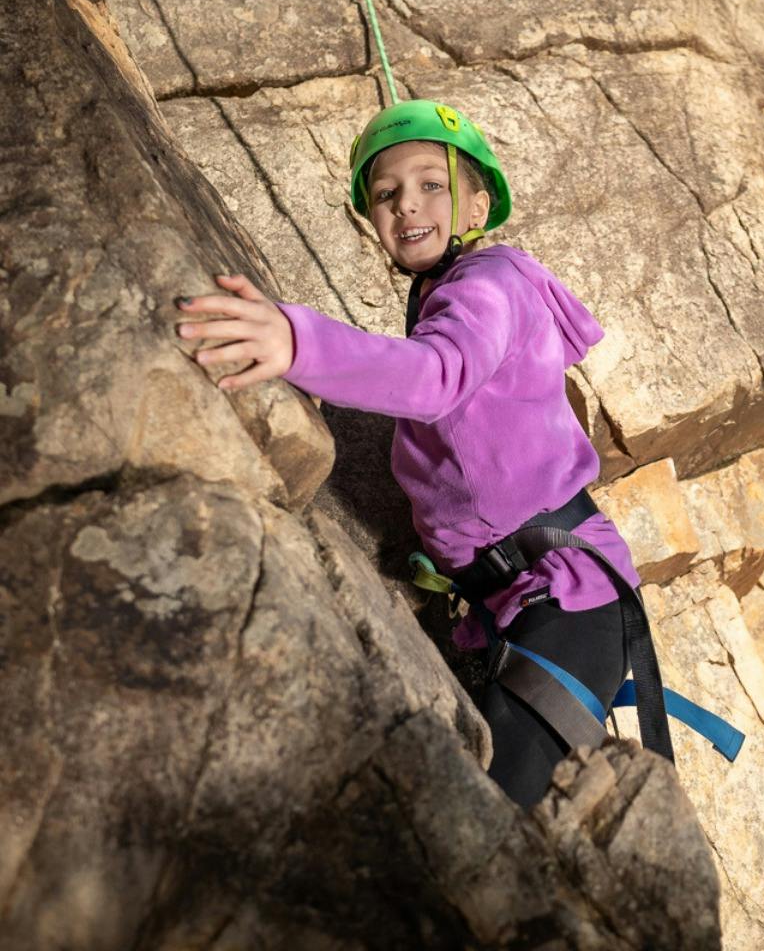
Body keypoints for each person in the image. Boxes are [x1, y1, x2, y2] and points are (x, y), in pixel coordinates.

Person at [174, 99, 685, 805]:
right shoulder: (452, 295)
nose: (407, 205)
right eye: (386, 194)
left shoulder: (491, 283)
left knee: (486, 823)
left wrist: (297, 343)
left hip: (566, 600)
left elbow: (436, 379)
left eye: (431, 185)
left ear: (477, 207)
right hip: (522, 603)